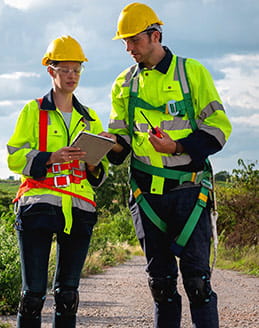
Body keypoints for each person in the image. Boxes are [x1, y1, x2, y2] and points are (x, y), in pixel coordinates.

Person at [102, 3, 232, 328]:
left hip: (189, 193)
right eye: (124, 42)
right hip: (146, 198)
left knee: (198, 285)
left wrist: (177, 147)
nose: (128, 48)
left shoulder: (192, 73)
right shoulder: (123, 84)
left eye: (133, 40)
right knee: (161, 287)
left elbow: (218, 129)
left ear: (155, 35)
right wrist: (107, 143)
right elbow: (122, 146)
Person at [6, 35, 109, 328]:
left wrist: (92, 163)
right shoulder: (33, 110)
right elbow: (14, 157)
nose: (72, 76)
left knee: (68, 295)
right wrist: (51, 157)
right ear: (51, 71)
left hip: (80, 208)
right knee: (33, 295)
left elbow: (99, 173)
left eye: (76, 69)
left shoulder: (90, 118)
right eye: (65, 69)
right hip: (38, 205)